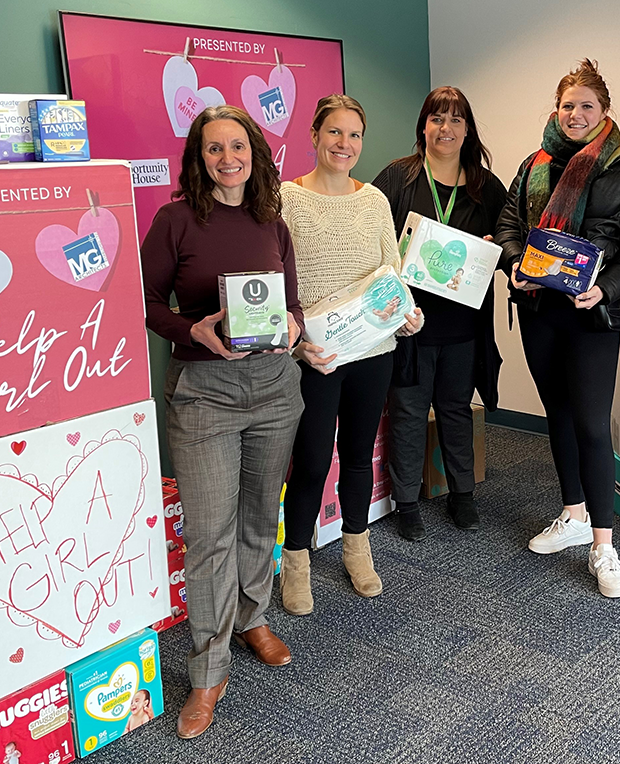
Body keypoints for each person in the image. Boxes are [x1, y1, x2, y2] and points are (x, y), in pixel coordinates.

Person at [141, 105, 304, 740]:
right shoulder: (175, 220)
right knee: (210, 533)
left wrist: (291, 325)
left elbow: (288, 302)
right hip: (204, 392)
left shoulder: (273, 221)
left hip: (272, 387)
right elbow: (146, 301)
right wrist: (194, 329)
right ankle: (208, 672)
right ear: (198, 157)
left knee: (263, 514)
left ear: (255, 153)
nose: (228, 158)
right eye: (215, 149)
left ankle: (252, 617)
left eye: (239, 146)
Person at [496, 59, 620, 598]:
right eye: (568, 105)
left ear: (604, 112)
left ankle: (603, 544)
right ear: (556, 109)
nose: (575, 114)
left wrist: (606, 288)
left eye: (586, 105)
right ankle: (572, 515)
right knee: (559, 416)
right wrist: (517, 262)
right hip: (540, 310)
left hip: (591, 314)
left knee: (591, 423)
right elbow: (508, 223)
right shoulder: (533, 164)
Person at [280, 95, 423, 615]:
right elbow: (276, 283)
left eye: (355, 135)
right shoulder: (285, 199)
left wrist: (410, 317)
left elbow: (394, 276)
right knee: (314, 459)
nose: (345, 145)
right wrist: (295, 342)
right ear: (314, 135)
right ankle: (296, 562)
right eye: (335, 133)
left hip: (373, 350)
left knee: (359, 455)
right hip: (314, 356)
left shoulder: (375, 202)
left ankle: (356, 549)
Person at [372, 86, 509, 541]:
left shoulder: (485, 186)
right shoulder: (397, 178)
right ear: (423, 126)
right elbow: (371, 241)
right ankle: (406, 502)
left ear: (468, 130)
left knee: (455, 410)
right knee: (408, 413)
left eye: (455, 119)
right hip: (408, 326)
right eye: (436, 118)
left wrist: (496, 251)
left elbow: (510, 242)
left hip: (463, 329)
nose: (445, 128)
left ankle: (462, 495)